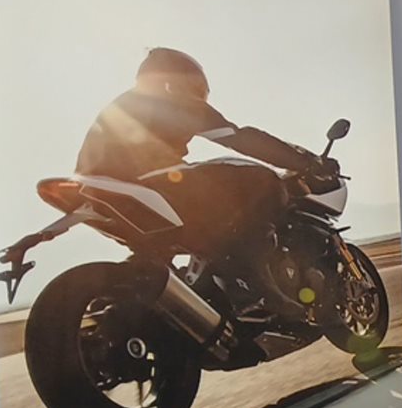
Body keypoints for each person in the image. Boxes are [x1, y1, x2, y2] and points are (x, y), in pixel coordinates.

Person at [75, 48, 319, 317]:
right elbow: (238, 137)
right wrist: (303, 161)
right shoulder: (171, 98)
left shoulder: (121, 105)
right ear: (180, 79)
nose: (199, 96)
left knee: (157, 251)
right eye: (197, 88)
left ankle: (125, 303)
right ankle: (254, 286)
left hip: (96, 188)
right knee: (264, 181)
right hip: (148, 180)